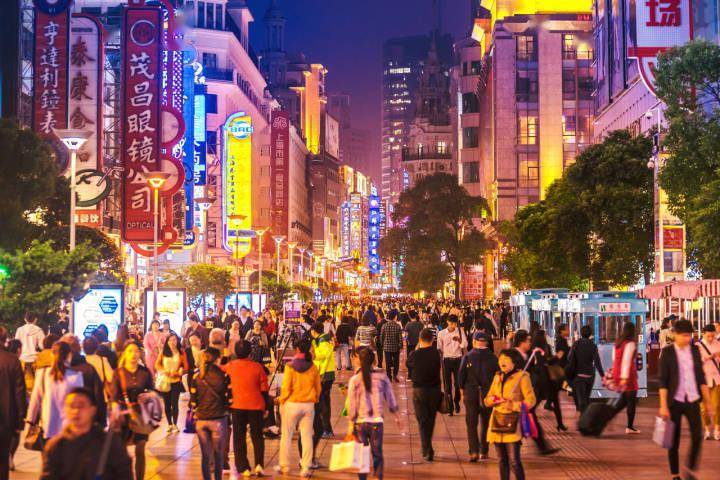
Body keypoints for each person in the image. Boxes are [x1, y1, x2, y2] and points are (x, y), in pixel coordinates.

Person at [659, 319, 713, 480]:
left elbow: (701, 378)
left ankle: (689, 469)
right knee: (673, 440)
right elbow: (663, 382)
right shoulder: (667, 352)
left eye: (689, 335)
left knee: (697, 435)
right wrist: (663, 406)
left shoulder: (695, 351)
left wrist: (708, 403)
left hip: (692, 399)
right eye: (684, 335)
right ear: (675, 334)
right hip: (674, 401)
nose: (687, 339)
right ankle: (675, 474)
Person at [41, 387, 132, 480]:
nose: (76, 411)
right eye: (71, 406)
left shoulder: (110, 443)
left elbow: (124, 474)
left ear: (93, 410)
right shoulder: (55, 446)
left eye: (81, 406)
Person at [347, 348, 400, 480]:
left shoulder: (354, 380)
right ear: (374, 361)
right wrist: (397, 416)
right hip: (377, 421)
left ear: (359, 361)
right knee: (377, 453)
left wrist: (351, 423)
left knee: (362, 455)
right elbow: (390, 398)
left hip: (360, 423)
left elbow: (352, 404)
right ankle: (377, 477)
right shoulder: (382, 378)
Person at [485, 349, 536, 480]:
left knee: (514, 462)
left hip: (513, 425)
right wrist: (491, 400)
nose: (502, 361)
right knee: (502, 460)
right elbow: (488, 398)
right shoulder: (497, 377)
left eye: (506, 359)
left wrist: (513, 405)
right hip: (497, 423)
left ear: (514, 362)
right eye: (501, 359)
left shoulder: (522, 377)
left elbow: (531, 401)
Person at [275, 340, 321, 478]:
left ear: (297, 350)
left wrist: (282, 400)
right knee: (307, 436)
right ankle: (306, 467)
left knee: (286, 436)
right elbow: (318, 387)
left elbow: (286, 387)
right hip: (308, 405)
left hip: (292, 404)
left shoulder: (290, 366)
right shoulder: (313, 367)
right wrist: (314, 399)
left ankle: (284, 465)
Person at [223, 340, 268, 477]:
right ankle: (259, 465)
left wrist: (225, 355)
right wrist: (266, 407)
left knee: (239, 436)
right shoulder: (257, 367)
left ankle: (243, 467)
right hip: (256, 405)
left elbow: (221, 370)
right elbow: (264, 389)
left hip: (237, 406)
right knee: (257, 436)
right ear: (250, 352)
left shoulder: (230, 366)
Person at [110, 340, 154, 480]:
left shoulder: (145, 372)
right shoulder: (118, 373)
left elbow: (152, 391)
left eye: (136, 351)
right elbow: (113, 397)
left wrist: (148, 397)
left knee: (140, 448)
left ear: (140, 353)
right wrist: (115, 410)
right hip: (124, 416)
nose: (133, 354)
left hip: (140, 415)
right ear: (125, 354)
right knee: (122, 450)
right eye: (130, 351)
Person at [26, 341, 85, 441]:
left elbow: (35, 401)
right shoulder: (76, 376)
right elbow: (80, 405)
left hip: (47, 427)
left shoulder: (42, 373)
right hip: (69, 429)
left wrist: (29, 423)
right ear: (69, 355)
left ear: (52, 355)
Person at [512, 330, 558, 455]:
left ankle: (541, 446)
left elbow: (533, 372)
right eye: (528, 340)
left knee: (530, 418)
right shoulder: (512, 355)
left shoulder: (529, 355)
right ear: (521, 342)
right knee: (521, 420)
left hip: (527, 393)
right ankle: (537, 447)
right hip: (517, 396)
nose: (530, 343)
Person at [459, 331, 499, 462]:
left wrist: (462, 393)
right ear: (486, 342)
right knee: (486, 423)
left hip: (471, 394)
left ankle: (474, 451)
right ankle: (484, 451)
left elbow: (461, 377)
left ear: (474, 342)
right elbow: (498, 377)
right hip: (488, 395)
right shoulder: (494, 358)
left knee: (471, 423)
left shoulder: (467, 357)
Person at [192, 347, 230, 480]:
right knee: (218, 456)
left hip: (201, 419)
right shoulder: (223, 376)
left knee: (205, 456)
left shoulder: (197, 376)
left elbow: (193, 400)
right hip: (218, 419)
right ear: (217, 359)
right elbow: (228, 399)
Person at [406, 328, 441, 461]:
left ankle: (427, 449)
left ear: (420, 340)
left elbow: (408, 363)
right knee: (431, 419)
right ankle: (428, 446)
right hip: (434, 390)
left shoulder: (415, 354)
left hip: (419, 391)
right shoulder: (436, 354)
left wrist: (417, 348)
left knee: (422, 420)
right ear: (432, 340)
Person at [0, 327, 26, 480]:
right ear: (5, 340)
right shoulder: (12, 361)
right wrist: (20, 419)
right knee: (3, 460)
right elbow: (19, 392)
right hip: (6, 419)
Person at [566, 325, 604, 413]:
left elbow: (569, 357)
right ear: (590, 334)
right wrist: (602, 375)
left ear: (581, 333)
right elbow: (597, 362)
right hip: (589, 375)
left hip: (578, 375)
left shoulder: (576, 344)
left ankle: (582, 416)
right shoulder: (593, 345)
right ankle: (586, 415)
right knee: (586, 398)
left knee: (581, 399)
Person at [612, 321, 641, 434]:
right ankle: (629, 426)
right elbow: (626, 360)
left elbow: (614, 358)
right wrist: (624, 377)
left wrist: (617, 374)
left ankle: (609, 416)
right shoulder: (630, 344)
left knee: (624, 400)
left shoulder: (618, 342)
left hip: (617, 372)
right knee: (631, 401)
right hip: (627, 375)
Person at [437, 315, 467, 415]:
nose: (453, 325)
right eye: (451, 323)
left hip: (458, 360)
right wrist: (442, 356)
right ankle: (450, 406)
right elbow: (439, 347)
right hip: (446, 361)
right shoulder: (441, 333)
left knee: (458, 384)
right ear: (448, 322)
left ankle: (456, 401)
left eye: (455, 323)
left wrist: (459, 340)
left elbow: (465, 345)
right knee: (447, 385)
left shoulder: (460, 332)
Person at [310, 321, 336, 438]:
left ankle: (327, 430)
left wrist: (314, 352)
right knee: (323, 402)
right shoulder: (321, 339)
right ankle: (326, 429)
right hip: (324, 373)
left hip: (325, 374)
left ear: (313, 331)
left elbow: (324, 354)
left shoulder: (323, 340)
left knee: (323, 403)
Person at [155, 333, 184, 433]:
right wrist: (164, 371)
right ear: (167, 342)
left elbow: (184, 366)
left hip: (176, 381)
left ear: (177, 341)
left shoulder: (180, 352)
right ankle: (169, 424)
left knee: (175, 403)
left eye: (174, 340)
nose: (172, 342)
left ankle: (175, 424)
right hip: (165, 381)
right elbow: (157, 365)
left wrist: (180, 371)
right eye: (170, 340)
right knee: (167, 403)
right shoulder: (163, 352)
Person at [698, 323, 720, 440]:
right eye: (708, 336)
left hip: (717, 379)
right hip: (703, 380)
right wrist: (706, 358)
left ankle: (717, 429)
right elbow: (695, 363)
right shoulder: (698, 346)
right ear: (703, 334)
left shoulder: (718, 344)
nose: (711, 338)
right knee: (703, 408)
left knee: (717, 406)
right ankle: (707, 429)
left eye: (713, 336)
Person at [15, 311, 45, 393]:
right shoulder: (39, 330)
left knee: (23, 384)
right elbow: (42, 346)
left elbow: (16, 345)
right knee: (36, 385)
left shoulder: (19, 330)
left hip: (22, 360)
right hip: (34, 360)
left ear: (25, 319)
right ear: (35, 319)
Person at [380, 310, 403, 382]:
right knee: (396, 362)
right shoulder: (398, 326)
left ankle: (389, 377)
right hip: (396, 347)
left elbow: (381, 337)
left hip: (387, 348)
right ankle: (395, 375)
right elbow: (400, 338)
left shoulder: (384, 326)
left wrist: (382, 345)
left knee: (388, 363)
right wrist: (401, 346)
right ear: (395, 317)